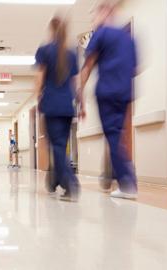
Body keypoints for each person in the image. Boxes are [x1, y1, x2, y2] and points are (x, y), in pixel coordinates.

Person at [78, 1, 138, 199]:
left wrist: (80, 94)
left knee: (112, 137)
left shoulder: (101, 33)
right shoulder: (129, 39)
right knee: (118, 137)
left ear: (105, 13)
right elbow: (136, 68)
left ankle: (127, 183)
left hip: (107, 93)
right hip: (125, 93)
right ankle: (121, 177)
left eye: (95, 15)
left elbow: (87, 65)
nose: (94, 19)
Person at [35, 16, 80, 201]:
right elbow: (74, 83)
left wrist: (38, 98)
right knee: (61, 146)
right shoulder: (71, 54)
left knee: (57, 147)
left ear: (51, 30)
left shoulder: (45, 50)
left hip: (52, 105)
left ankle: (71, 184)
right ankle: (55, 181)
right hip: (67, 106)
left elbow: (40, 77)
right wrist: (81, 103)